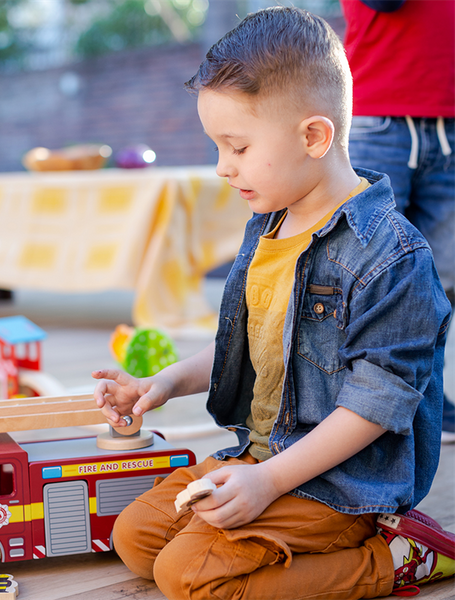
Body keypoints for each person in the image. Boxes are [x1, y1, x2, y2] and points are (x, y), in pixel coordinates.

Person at [92, 8, 454, 599]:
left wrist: (268, 483)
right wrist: (162, 382)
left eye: (236, 146)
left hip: (339, 482)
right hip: (261, 454)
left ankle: (395, 558)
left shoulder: (391, 256)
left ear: (313, 136)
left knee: (186, 578)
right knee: (135, 540)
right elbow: (254, 343)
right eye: (217, 146)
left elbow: (375, 404)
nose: (221, 167)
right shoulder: (268, 227)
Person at [340, 0, 455, 443]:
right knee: (365, 270)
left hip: (447, 118)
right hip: (378, 118)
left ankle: (421, 400)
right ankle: (348, 404)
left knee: (441, 279)